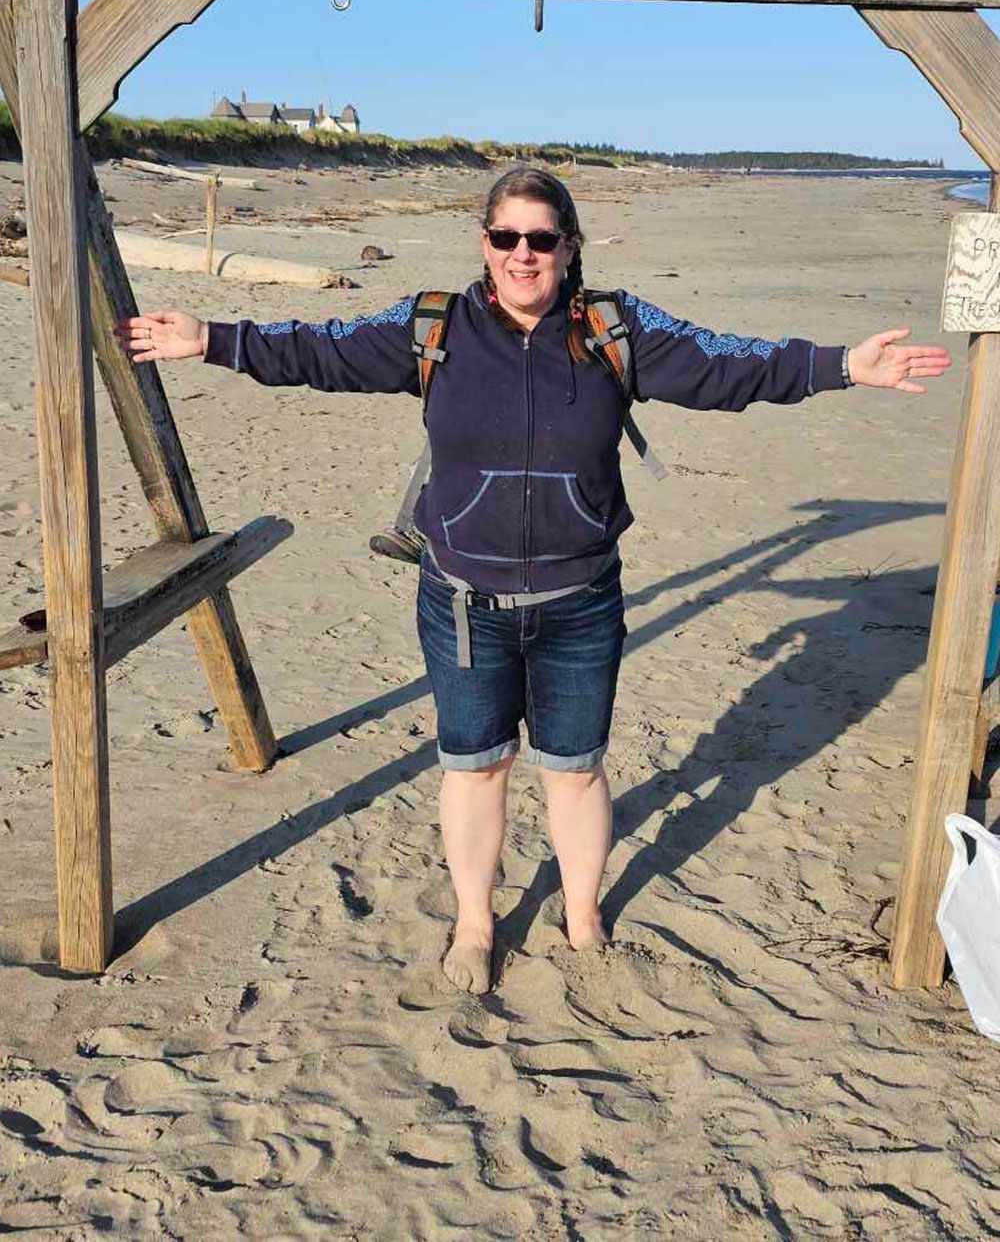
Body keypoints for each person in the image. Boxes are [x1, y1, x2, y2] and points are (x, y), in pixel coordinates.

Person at [116, 167, 952, 995]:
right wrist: (212, 339)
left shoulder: (613, 327)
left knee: (575, 768)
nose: (523, 255)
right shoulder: (431, 326)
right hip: (462, 605)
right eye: (506, 237)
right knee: (475, 767)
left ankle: (583, 918)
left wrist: (843, 363)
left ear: (567, 246)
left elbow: (726, 366)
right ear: (484, 244)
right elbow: (321, 349)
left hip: (581, 603)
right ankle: (476, 925)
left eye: (541, 239)